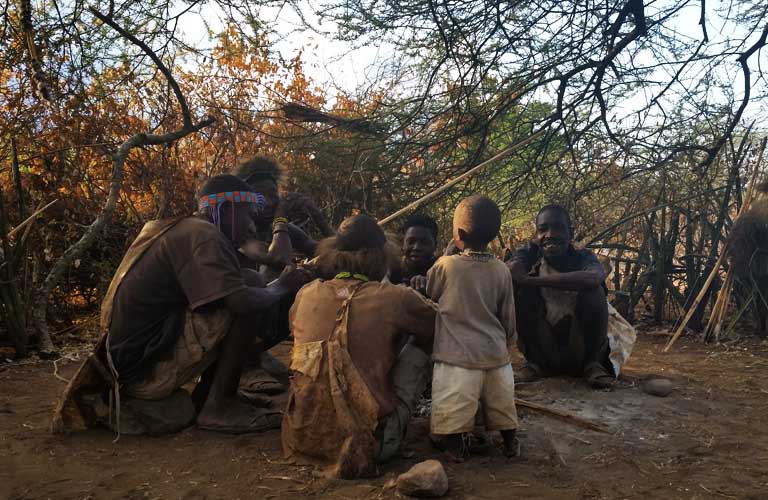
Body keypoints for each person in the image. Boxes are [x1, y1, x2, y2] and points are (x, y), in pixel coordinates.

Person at [103, 174, 312, 433]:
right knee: (248, 291)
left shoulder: (188, 228)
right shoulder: (203, 234)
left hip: (133, 365)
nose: (249, 227)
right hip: (144, 375)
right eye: (247, 215)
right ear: (225, 209)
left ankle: (208, 396)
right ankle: (219, 406)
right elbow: (241, 303)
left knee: (248, 281)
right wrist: (283, 286)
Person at [282, 214, 436, 478]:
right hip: (372, 447)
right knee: (421, 340)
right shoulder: (396, 297)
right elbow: (439, 326)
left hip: (302, 438)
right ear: (381, 256)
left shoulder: (307, 292)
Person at [426, 195, 519, 461]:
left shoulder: (446, 266)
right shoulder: (501, 269)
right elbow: (508, 313)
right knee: (502, 406)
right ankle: (510, 443)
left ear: (459, 233)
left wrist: (444, 256)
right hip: (495, 357)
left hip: (457, 357)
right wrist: (509, 341)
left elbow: (430, 293)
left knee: (454, 406)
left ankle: (454, 448)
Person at [506, 204, 614, 389]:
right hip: (544, 346)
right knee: (517, 289)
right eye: (543, 229)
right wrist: (517, 270)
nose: (550, 234)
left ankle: (592, 364)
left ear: (570, 233)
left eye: (558, 228)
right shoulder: (530, 252)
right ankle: (535, 363)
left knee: (594, 290)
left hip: (579, 347)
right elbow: (511, 270)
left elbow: (593, 278)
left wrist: (531, 281)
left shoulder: (584, 257)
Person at [235, 156, 333, 280]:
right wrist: (280, 217)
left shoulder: (286, 229)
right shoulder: (240, 232)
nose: (269, 202)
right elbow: (278, 258)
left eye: (272, 195)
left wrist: (317, 216)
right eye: (260, 196)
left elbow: (333, 253)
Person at [390, 213, 439, 287]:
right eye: (411, 242)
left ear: (435, 245)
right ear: (403, 244)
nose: (416, 247)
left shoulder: (442, 273)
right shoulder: (391, 271)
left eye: (424, 243)